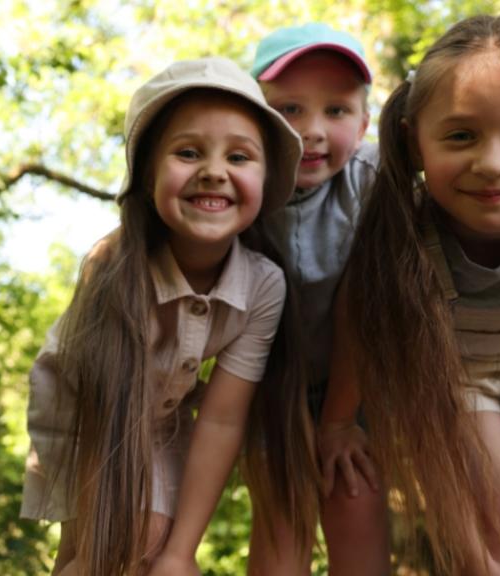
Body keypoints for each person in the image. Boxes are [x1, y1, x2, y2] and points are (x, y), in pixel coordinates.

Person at [21, 57, 318, 576]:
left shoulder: (264, 284)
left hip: (164, 419)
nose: (214, 171)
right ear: (147, 175)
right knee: (115, 551)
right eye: (187, 152)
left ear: (267, 179)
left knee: (156, 553)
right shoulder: (113, 265)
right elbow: (106, 405)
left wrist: (183, 552)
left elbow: (223, 418)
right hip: (91, 417)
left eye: (240, 156)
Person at [327, 14, 500, 575]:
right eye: (460, 135)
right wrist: (335, 421)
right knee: (496, 550)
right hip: (454, 375)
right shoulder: (402, 234)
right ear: (414, 141)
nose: (492, 164)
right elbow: (362, 322)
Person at [248, 24, 386, 575]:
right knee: (280, 530)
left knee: (356, 501)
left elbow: (369, 306)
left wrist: (338, 419)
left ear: (365, 124)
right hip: (266, 384)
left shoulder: (371, 180)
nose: (311, 130)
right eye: (289, 109)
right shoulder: (239, 187)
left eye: (336, 111)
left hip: (358, 384)